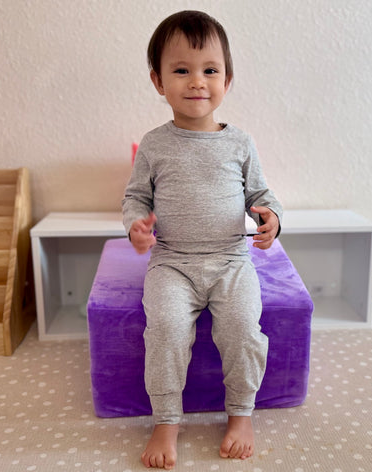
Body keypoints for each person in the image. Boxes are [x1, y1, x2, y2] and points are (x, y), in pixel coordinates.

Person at [122, 10, 282, 470]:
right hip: (172, 263)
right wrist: (136, 226)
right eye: (181, 70)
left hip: (231, 261)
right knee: (166, 330)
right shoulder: (154, 144)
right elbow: (136, 197)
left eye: (210, 70)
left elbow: (261, 194)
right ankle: (166, 421)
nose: (197, 81)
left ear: (227, 80)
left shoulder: (240, 143)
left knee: (244, 330)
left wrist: (271, 217)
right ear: (158, 81)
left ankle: (241, 415)